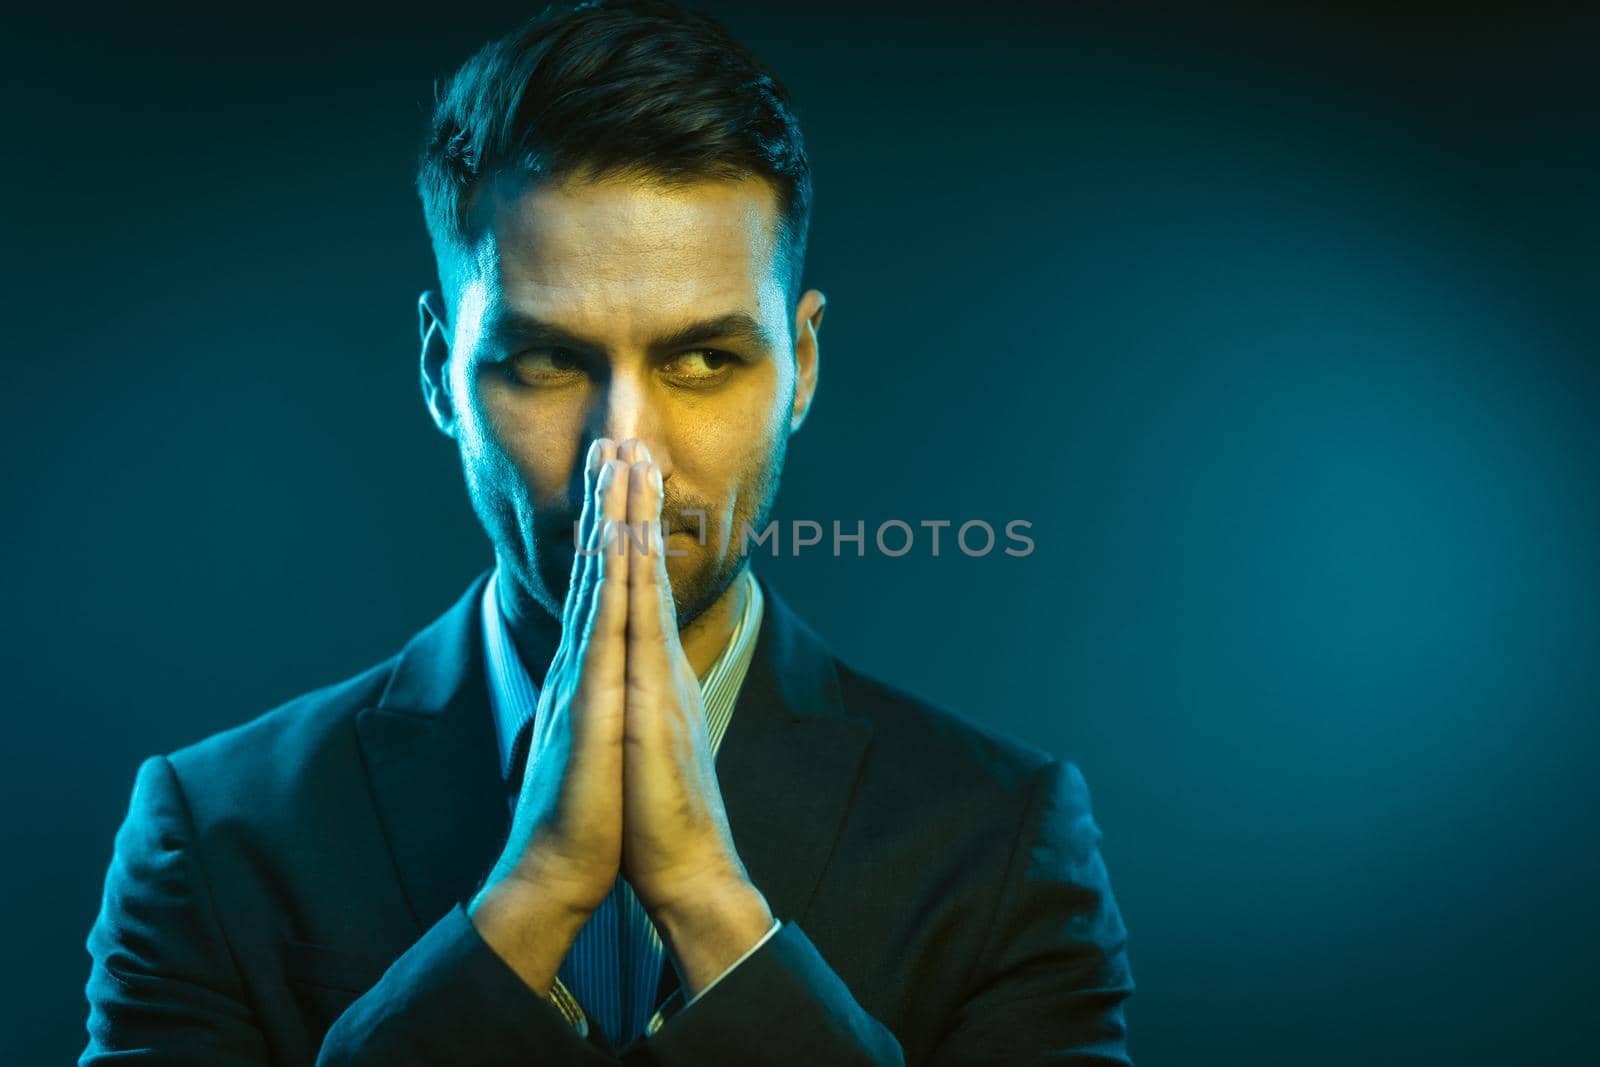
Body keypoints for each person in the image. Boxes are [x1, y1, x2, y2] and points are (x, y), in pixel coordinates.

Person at [80, 2, 1134, 1063]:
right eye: (544, 362)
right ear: (438, 370)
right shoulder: (217, 836)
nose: (623, 453)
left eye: (705, 360)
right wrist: (532, 893)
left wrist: (710, 902)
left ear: (801, 367)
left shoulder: (1003, 839)